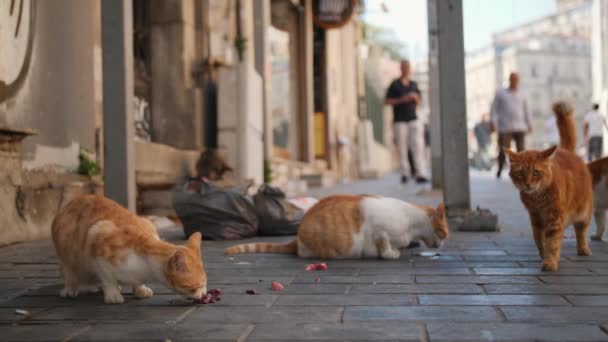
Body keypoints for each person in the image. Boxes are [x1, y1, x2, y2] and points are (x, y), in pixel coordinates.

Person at [385, 60, 428, 184]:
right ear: (401, 68)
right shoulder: (395, 84)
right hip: (399, 120)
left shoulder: (414, 84)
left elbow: (419, 101)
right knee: (402, 148)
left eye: (408, 67)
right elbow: (387, 101)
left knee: (418, 146)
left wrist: (415, 98)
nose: (406, 69)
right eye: (404, 67)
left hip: (413, 118)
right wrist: (402, 99)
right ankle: (405, 173)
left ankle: (420, 173)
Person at [490, 72, 532, 179]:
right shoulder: (501, 93)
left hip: (520, 126)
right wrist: (493, 122)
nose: (515, 81)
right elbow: (494, 109)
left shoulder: (522, 94)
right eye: (513, 79)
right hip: (505, 127)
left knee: (521, 151)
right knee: (504, 149)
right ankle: (499, 169)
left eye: (517, 79)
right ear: (509, 79)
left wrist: (529, 123)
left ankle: (521, 171)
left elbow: (526, 110)